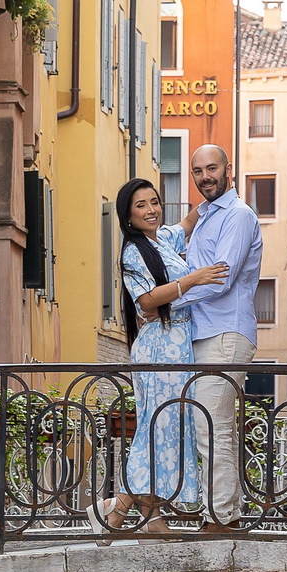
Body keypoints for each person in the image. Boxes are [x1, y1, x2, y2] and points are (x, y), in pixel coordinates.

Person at [101, 176, 229, 529]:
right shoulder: (133, 252)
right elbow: (145, 301)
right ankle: (118, 508)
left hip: (178, 342)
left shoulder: (163, 240)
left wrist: (217, 191)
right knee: (159, 426)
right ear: (128, 216)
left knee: (168, 424)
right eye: (141, 205)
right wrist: (193, 279)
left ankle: (151, 515)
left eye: (155, 202)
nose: (151, 210)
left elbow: (189, 222)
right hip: (159, 345)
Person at [173, 144, 262, 522]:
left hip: (225, 332)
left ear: (229, 169)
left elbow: (220, 279)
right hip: (205, 332)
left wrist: (166, 301)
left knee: (212, 426)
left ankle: (221, 519)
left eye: (212, 168)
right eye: (197, 171)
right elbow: (170, 245)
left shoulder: (238, 216)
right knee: (213, 426)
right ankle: (227, 514)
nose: (205, 177)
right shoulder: (206, 216)